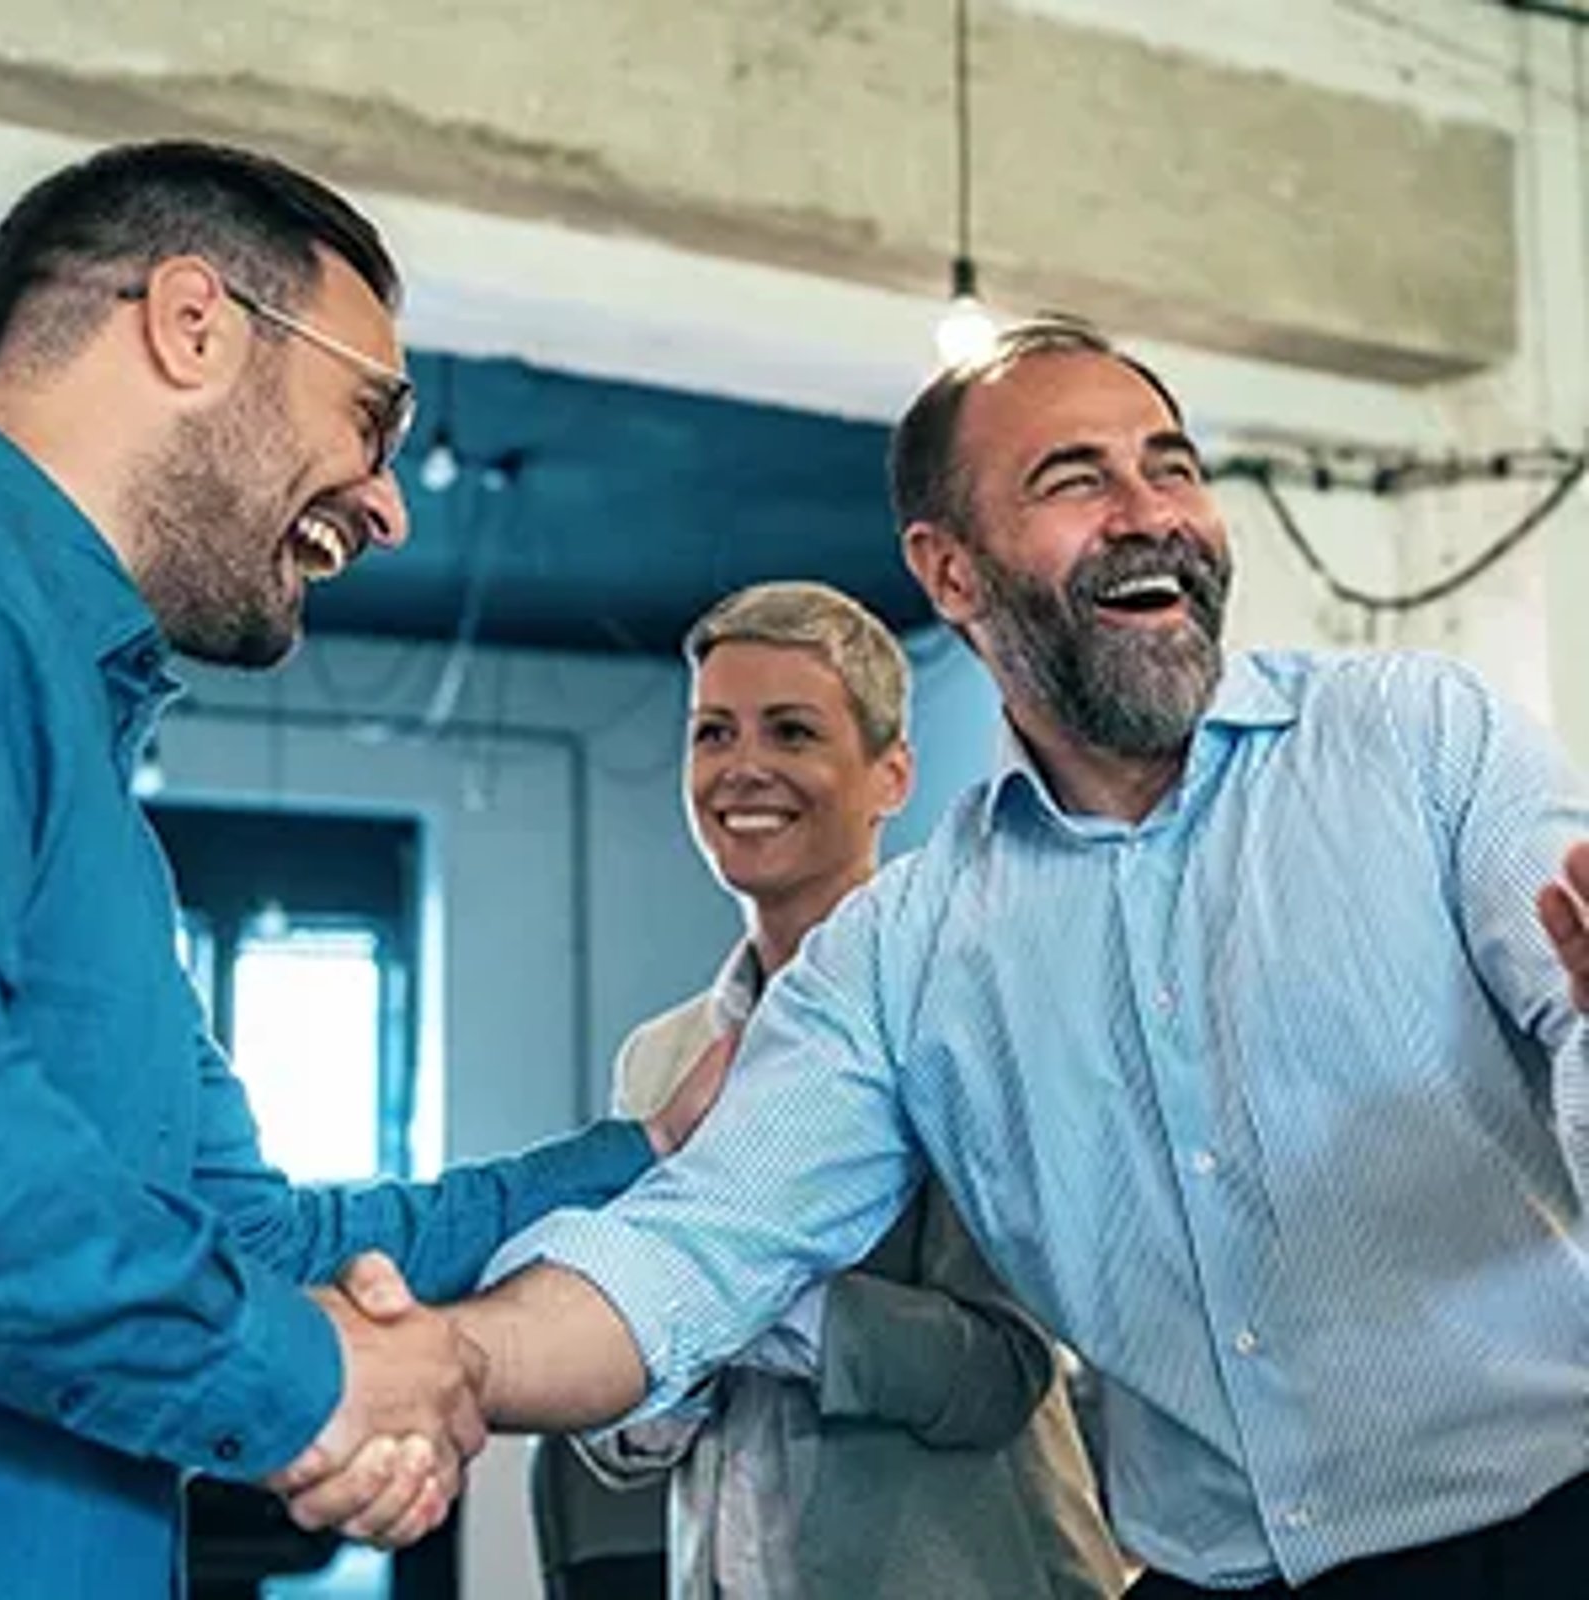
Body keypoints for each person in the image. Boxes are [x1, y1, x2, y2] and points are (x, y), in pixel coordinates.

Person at [309, 317, 1589, 1599]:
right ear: (952, 571)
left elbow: (1573, 1016)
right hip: (1218, 1574)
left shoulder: (1419, 741)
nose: (1150, 513)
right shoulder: (905, 951)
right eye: (1075, 479)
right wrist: (457, 1357)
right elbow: (695, 1247)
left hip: (1550, 1519)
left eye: (1174, 465)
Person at [0, 139, 726, 1597]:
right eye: (373, 415)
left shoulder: (90, 778)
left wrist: (640, 1157)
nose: (388, 506)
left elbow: (252, 1234)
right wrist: (317, 1387)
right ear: (191, 325)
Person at [570, 580, 1125, 1598]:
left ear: (891, 774)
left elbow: (1000, 1371)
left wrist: (740, 1296)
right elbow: (625, 1437)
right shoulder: (660, 1057)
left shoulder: (970, 1014)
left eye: (791, 732)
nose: (743, 768)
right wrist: (645, 1365)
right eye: (712, 734)